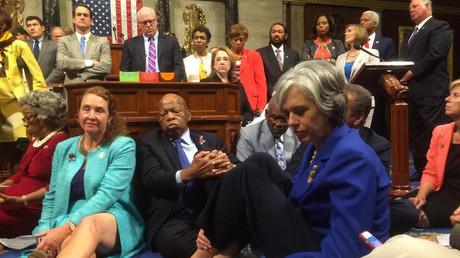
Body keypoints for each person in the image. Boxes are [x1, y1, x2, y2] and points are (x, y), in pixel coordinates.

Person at [191, 61, 390, 258]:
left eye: (300, 112)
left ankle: (212, 249)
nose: (291, 122)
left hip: (326, 250)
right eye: (288, 113)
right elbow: (298, 196)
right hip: (309, 229)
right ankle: (220, 247)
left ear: (329, 106)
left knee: (245, 173)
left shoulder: (353, 158)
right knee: (260, 161)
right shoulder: (317, 143)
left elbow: (346, 250)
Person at [29, 86, 144, 257]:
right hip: (65, 219)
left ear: (109, 117)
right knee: (76, 247)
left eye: (99, 111)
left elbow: (107, 196)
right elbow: (52, 195)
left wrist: (65, 229)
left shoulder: (123, 146)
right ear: (78, 113)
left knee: (89, 224)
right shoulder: (63, 147)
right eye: (86, 109)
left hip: (111, 217)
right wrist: (45, 228)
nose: (91, 116)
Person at [136, 93, 239, 258]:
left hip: (212, 211)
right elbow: (152, 179)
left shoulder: (211, 139)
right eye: (164, 114)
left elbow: (238, 168)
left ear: (188, 115)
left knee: (214, 174)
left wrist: (228, 165)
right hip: (175, 216)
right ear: (159, 119)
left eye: (176, 111)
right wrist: (189, 173)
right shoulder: (148, 142)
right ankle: (228, 250)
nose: (170, 117)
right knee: (169, 240)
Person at [390, 79, 460, 235]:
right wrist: (421, 195)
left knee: (404, 213)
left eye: (455, 95)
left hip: (456, 201)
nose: (447, 99)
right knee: (395, 204)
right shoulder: (441, 132)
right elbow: (431, 172)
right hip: (439, 190)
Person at [0, 91, 68, 238]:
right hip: (12, 203)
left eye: (28, 118)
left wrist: (22, 199)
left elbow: (58, 185)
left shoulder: (60, 142)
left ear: (46, 116)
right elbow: (21, 174)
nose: (24, 123)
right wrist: (2, 186)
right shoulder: (37, 141)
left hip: (30, 209)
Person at [286, 84, 391, 179]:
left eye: (341, 109)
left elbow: (372, 184)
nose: (331, 113)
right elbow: (291, 173)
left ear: (358, 118)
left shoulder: (378, 146)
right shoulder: (316, 135)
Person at [399, 0, 451, 181]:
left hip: (431, 91)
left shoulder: (439, 27)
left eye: (415, 6)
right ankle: (422, 170)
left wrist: (410, 73)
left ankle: (438, 170)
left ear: (427, 6)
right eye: (410, 8)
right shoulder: (409, 35)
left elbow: (435, 53)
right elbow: (404, 59)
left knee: (433, 132)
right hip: (411, 92)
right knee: (416, 134)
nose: (411, 10)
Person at [0, 10, 46, 173]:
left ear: (2, 25)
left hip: (15, 102)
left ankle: (22, 176)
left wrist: (39, 99)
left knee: (20, 144)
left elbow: (36, 72)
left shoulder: (18, 44)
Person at [120, 7, 185, 81]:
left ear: (156, 21)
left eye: (151, 21)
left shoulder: (171, 42)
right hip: (140, 86)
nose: (148, 25)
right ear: (139, 25)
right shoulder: (130, 44)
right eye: (144, 23)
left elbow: (179, 68)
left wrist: (169, 82)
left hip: (166, 85)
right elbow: (124, 71)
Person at [360, 10, 396, 140]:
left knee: (378, 121)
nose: (362, 22)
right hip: (360, 88)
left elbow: (390, 64)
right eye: (361, 20)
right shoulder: (356, 43)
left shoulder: (386, 42)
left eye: (365, 20)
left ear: (374, 23)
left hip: (378, 89)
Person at [57, 4, 112, 83]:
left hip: (96, 86)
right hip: (72, 87)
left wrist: (73, 68)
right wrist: (89, 62)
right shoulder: (64, 41)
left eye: (85, 15)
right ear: (73, 19)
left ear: (91, 21)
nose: (82, 17)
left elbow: (105, 67)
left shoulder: (102, 41)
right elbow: (61, 63)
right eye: (79, 15)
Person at [236, 99, 299, 167]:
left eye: (284, 119)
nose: (279, 124)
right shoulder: (248, 134)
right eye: (274, 118)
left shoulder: (296, 133)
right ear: (266, 114)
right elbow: (245, 169)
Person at [200, 46, 253, 126]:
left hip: (238, 129)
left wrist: (241, 120)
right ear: (214, 64)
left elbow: (249, 112)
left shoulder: (238, 85)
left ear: (231, 63)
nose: (222, 62)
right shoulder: (206, 83)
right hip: (216, 129)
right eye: (218, 59)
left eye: (225, 59)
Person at [228, 24, 266, 116]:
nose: (238, 42)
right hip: (230, 98)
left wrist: (261, 106)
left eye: (241, 40)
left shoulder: (254, 55)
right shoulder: (225, 55)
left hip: (250, 100)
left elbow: (261, 81)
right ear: (230, 40)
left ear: (245, 40)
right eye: (235, 39)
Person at [257, 23, 299, 99]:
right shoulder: (260, 53)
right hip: (268, 97)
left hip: (288, 96)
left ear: (286, 36)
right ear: (270, 35)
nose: (276, 34)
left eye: (280, 32)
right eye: (273, 32)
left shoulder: (293, 54)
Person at [25, 16, 63, 83]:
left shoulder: (54, 45)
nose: (32, 28)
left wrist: (46, 83)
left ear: (43, 28)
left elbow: (59, 67)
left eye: (35, 25)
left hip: (49, 85)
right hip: (27, 86)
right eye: (29, 26)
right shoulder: (22, 45)